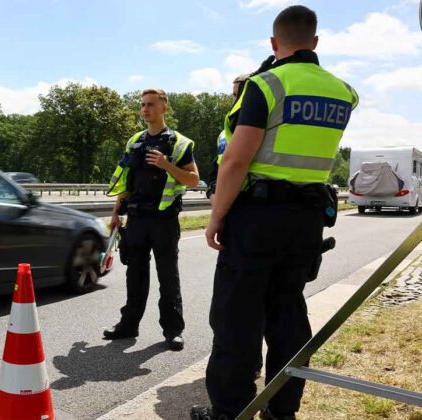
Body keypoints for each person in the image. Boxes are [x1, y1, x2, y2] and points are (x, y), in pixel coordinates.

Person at [191, 5, 359, 420]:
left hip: (256, 219)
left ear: (273, 43)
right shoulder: (344, 92)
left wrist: (215, 217)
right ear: (315, 41)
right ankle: (282, 409)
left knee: (237, 318)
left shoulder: (265, 85)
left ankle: (230, 411)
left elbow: (235, 161)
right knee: (288, 316)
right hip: (307, 219)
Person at [104, 88, 199, 351]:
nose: (145, 109)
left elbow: (193, 180)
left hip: (164, 221)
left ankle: (173, 331)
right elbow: (126, 181)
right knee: (135, 275)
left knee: (168, 277)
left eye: (150, 105)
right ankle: (128, 325)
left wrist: (167, 165)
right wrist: (115, 212)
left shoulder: (178, 142)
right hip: (135, 219)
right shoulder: (135, 140)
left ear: (164, 108)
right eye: (143, 105)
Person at [206, 74, 251, 204]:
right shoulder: (223, 135)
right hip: (227, 208)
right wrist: (213, 196)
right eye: (234, 95)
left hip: (253, 206)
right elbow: (215, 172)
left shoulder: (264, 131)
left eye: (242, 95)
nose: (237, 100)